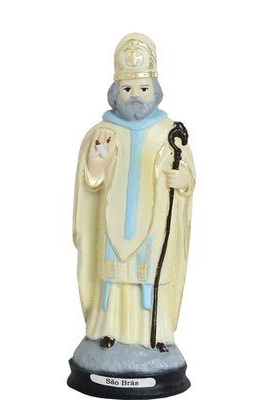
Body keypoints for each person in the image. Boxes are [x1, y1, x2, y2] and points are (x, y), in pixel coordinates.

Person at [73, 33, 195, 352]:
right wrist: (96, 168)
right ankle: (107, 330)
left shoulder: (169, 133)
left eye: (143, 89)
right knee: (113, 278)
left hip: (154, 224)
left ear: (156, 91)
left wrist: (183, 181)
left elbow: (187, 173)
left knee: (150, 275)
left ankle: (156, 335)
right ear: (115, 93)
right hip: (112, 224)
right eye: (127, 89)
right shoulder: (102, 132)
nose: (135, 96)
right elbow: (90, 182)